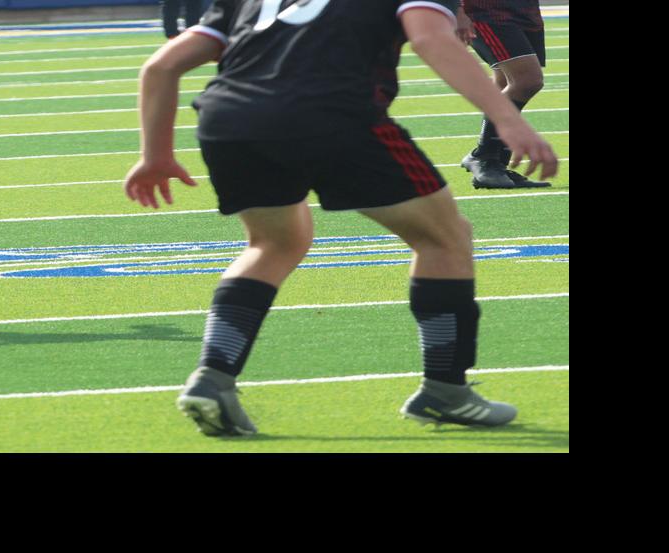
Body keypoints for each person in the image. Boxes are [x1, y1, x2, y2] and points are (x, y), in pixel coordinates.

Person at [123, 0, 557, 436]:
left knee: (273, 244)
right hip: (336, 113)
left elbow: (161, 67)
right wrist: (506, 118)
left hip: (230, 117)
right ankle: (445, 387)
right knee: (445, 238)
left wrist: (154, 156)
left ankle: (213, 377)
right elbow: (428, 38)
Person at [456, 0, 550, 189]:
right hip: (487, 12)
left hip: (525, 11)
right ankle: (484, 155)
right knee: (527, 80)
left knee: (505, 82)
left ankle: (496, 164)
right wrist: (458, 11)